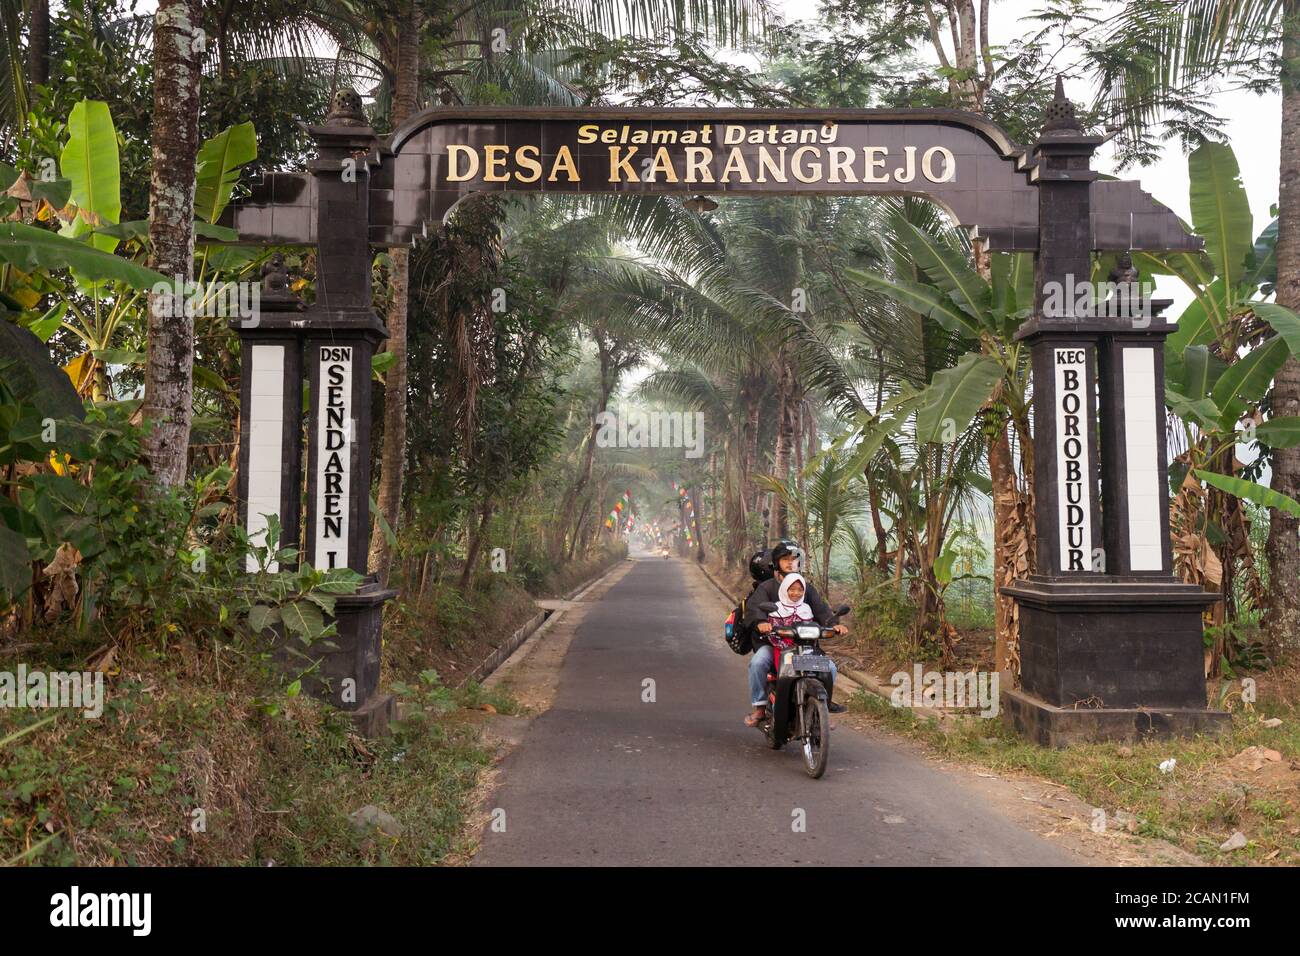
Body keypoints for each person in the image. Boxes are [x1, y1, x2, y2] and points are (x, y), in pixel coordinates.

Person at [742, 542, 847, 726]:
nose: (791, 563)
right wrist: (761, 623)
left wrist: (833, 625)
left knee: (830, 668)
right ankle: (759, 707)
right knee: (758, 663)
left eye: (794, 560)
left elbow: (822, 611)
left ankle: (822, 709)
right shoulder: (766, 588)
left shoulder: (807, 588)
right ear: (776, 563)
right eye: (785, 560)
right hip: (774, 644)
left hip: (805, 645)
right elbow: (754, 609)